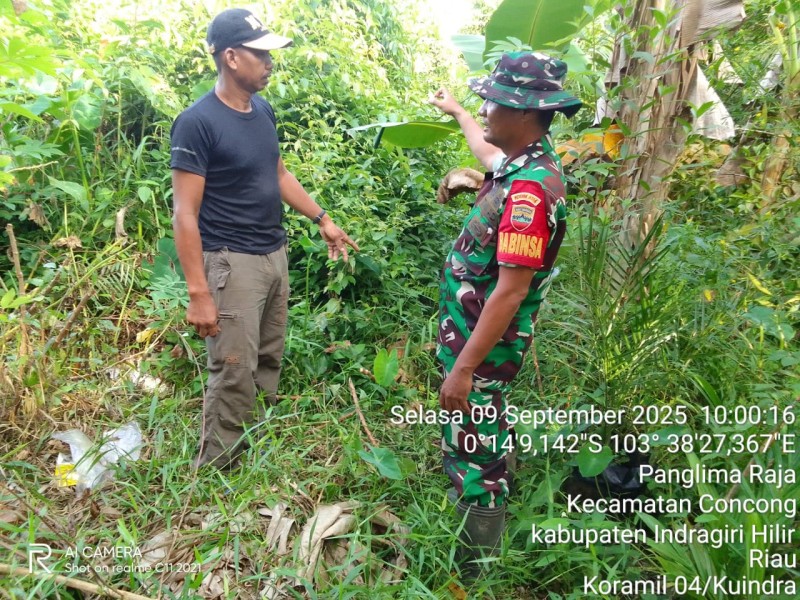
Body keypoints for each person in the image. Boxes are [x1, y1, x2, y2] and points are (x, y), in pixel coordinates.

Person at [170, 8, 358, 469]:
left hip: (273, 253)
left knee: (267, 353)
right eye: (262, 54)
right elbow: (184, 212)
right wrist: (198, 292)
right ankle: (217, 468)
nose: (270, 62)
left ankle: (255, 435)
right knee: (233, 366)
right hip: (232, 262)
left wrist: (322, 218)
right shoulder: (197, 122)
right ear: (231, 57)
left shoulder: (262, 110)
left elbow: (277, 173)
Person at [428, 52, 581, 576]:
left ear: (521, 113)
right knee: (484, 423)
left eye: (490, 102)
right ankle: (484, 508)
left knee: (474, 441)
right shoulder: (519, 163)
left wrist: (465, 369)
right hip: (473, 338)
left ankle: (476, 564)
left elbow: (511, 292)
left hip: (485, 347)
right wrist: (457, 113)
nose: (484, 109)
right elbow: (481, 146)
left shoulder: (529, 193)